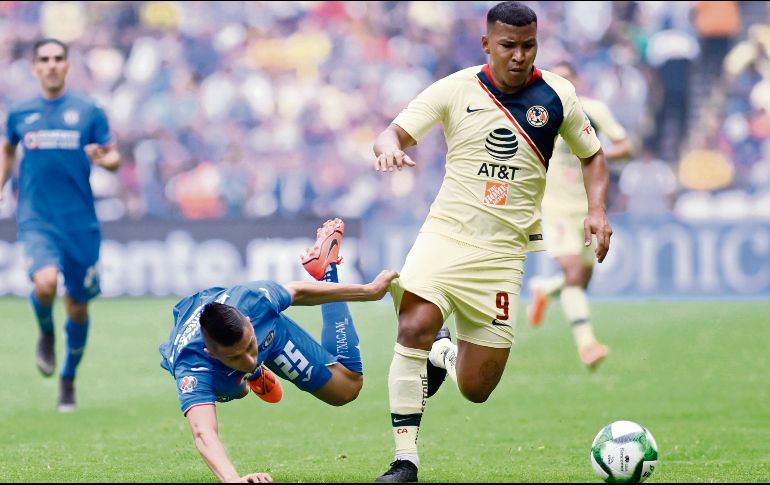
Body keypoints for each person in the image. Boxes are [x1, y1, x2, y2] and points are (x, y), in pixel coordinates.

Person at [371, 2, 612, 482]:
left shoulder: (558, 96)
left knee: (475, 387)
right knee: (413, 324)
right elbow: (390, 134)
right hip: (445, 234)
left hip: (503, 254)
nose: (519, 56)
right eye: (508, 46)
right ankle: (405, 461)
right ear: (487, 45)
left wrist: (598, 211)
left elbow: (593, 154)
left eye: (528, 46)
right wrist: (390, 149)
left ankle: (444, 353)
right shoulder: (455, 89)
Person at [159, 219, 399, 483]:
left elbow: (297, 292)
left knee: (346, 389)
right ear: (211, 353)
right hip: (220, 374)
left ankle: (326, 267)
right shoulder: (193, 368)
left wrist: (368, 291)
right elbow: (203, 432)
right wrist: (234, 480)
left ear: (249, 323)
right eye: (236, 356)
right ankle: (248, 379)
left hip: (268, 337)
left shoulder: (256, 302)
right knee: (234, 390)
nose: (249, 359)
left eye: (250, 348)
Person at [0, 38, 121, 411]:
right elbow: (7, 149)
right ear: (35, 67)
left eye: (58, 59)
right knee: (46, 282)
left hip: (81, 225)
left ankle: (67, 379)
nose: (51, 65)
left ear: (67, 66)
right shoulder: (20, 113)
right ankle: (47, 334)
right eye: (44, 60)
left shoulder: (89, 111)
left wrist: (104, 160)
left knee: (78, 308)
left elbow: (114, 157)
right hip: (37, 218)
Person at [527, 61, 633, 369]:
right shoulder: (539, 116)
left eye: (568, 79)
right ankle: (587, 345)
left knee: (581, 280)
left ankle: (545, 289)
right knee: (573, 271)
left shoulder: (594, 111)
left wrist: (595, 153)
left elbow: (626, 146)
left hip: (590, 208)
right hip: (555, 208)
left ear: (577, 82)